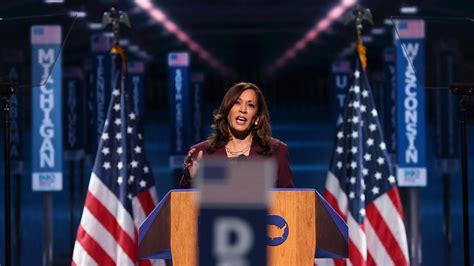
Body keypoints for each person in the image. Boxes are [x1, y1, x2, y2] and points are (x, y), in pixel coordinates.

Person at [179, 82, 295, 188]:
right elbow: (181, 204)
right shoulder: (201, 153)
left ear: (257, 118)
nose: (243, 109)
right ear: (227, 110)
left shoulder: (277, 151)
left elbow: (289, 201)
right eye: (237, 103)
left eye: (250, 105)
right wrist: (191, 179)